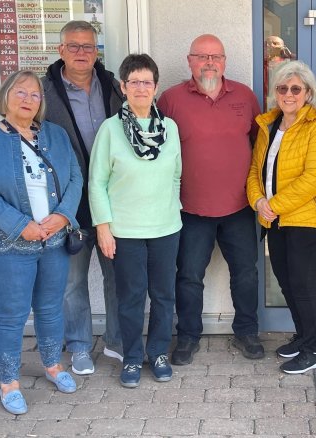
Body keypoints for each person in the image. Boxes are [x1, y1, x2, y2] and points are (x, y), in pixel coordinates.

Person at [0, 70, 83, 414]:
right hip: (7, 245)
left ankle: (52, 366)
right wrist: (21, 225)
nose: (28, 100)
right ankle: (8, 382)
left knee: (50, 308)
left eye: (35, 95)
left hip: (53, 240)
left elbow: (76, 177)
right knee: (11, 314)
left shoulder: (56, 135)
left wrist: (63, 216)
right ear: (5, 96)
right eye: (21, 92)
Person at [157, 34, 264, 365]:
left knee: (246, 273)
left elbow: (258, 145)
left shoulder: (245, 96)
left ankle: (246, 331)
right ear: (189, 61)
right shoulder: (170, 100)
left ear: (225, 61)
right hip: (190, 209)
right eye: (202, 56)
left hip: (240, 207)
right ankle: (188, 336)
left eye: (216, 56)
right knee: (188, 275)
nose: (209, 63)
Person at [89, 53, 182, 389]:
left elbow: (175, 176)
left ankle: (157, 353)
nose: (141, 87)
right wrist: (104, 226)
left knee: (163, 295)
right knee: (130, 297)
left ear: (156, 87)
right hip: (124, 231)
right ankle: (131, 357)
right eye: (134, 82)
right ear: (123, 87)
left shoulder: (169, 128)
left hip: (165, 228)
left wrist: (171, 209)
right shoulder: (110, 130)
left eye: (147, 82)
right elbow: (97, 182)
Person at [42, 20, 125, 375]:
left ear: (97, 51)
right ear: (60, 50)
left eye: (88, 46)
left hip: (112, 200)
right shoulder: (43, 93)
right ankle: (78, 346)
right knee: (72, 280)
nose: (81, 53)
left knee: (118, 275)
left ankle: (118, 342)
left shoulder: (112, 86)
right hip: (68, 203)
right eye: (73, 46)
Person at [247, 61, 316, 374]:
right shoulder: (269, 125)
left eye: (295, 88)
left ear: (308, 93)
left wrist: (274, 204)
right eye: (282, 88)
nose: (288, 94)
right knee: (287, 283)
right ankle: (304, 337)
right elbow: (255, 170)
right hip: (277, 220)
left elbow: (315, 176)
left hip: (308, 221)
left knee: (304, 285)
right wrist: (258, 201)